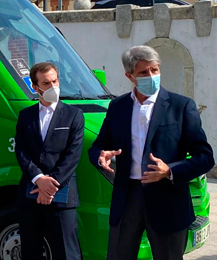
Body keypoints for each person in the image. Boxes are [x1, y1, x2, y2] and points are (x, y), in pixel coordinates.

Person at [88, 45, 215, 260]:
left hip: (168, 200)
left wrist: (170, 171)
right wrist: (100, 156)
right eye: (143, 72)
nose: (151, 76)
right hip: (127, 198)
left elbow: (205, 157)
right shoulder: (118, 107)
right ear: (130, 76)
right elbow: (98, 146)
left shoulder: (181, 106)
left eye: (154, 70)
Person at [15, 62, 84, 260]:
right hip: (31, 193)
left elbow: (73, 155)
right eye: (46, 83)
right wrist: (38, 178)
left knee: (67, 253)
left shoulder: (74, 115)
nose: (53, 86)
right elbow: (21, 151)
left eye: (55, 81)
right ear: (35, 87)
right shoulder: (25, 115)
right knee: (30, 251)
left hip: (62, 195)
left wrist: (51, 185)